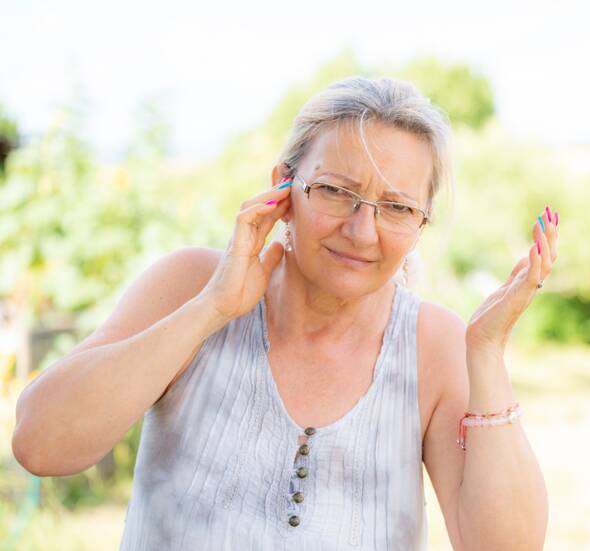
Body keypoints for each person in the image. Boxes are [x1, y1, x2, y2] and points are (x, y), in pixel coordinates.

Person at [12, 76, 556, 550]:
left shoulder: (433, 341)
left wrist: (485, 355)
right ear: (284, 187)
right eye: (336, 191)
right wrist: (211, 308)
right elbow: (41, 444)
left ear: (422, 222)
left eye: (397, 207)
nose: (362, 231)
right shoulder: (190, 284)